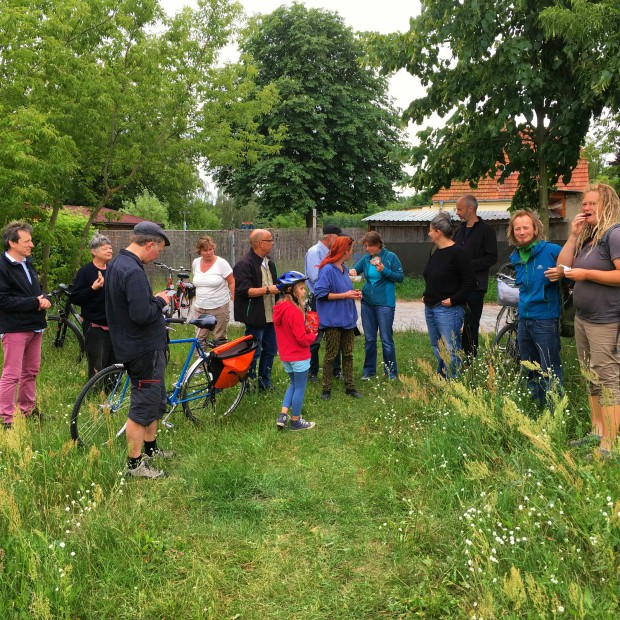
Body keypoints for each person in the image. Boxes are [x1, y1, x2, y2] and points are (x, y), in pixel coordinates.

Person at [105, 221, 173, 479]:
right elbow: (142, 314)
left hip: (139, 345)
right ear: (149, 244)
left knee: (154, 401)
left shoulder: (118, 264)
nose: (158, 256)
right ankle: (135, 466)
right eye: (159, 250)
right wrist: (160, 300)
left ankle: (151, 449)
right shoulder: (132, 272)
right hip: (142, 348)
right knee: (142, 407)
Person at [556, 183, 620, 456]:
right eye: (584, 204)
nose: (586, 208)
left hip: (607, 320)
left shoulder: (614, 235)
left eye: (593, 203)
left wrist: (586, 275)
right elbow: (562, 267)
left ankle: (609, 444)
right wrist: (572, 236)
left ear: (607, 206)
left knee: (608, 380)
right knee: (591, 377)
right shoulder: (588, 237)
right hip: (583, 318)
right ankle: (596, 433)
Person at [507, 210, 563, 406]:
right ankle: (536, 407)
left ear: (535, 228)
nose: (522, 232)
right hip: (524, 319)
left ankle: (554, 411)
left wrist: (563, 273)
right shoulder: (516, 256)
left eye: (526, 227)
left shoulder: (551, 250)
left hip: (545, 320)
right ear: (512, 232)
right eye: (517, 228)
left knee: (550, 368)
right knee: (529, 367)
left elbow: (572, 269)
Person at [0, 221, 51, 429]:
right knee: (11, 374)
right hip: (14, 328)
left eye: (31, 241)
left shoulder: (27, 263)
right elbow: (3, 300)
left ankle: (27, 410)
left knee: (30, 372)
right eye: (27, 241)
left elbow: (34, 292)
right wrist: (35, 303)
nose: (32, 245)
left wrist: (45, 299)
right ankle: (5, 418)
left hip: (35, 326)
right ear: (12, 242)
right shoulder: (2, 267)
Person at [423, 212, 475, 379]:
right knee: (437, 345)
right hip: (431, 306)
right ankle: (443, 376)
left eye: (430, 230)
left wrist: (453, 300)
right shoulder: (435, 251)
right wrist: (426, 294)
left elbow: (469, 282)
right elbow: (431, 275)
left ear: (438, 232)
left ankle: (453, 384)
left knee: (450, 348)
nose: (428, 233)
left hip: (448, 310)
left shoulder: (458, 253)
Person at [350, 231, 403, 380]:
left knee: (386, 339)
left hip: (385, 304)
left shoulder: (391, 257)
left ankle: (391, 372)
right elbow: (354, 270)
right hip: (367, 303)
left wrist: (384, 270)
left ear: (378, 244)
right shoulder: (366, 259)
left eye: (369, 246)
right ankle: (369, 371)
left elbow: (400, 277)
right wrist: (353, 271)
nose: (367, 249)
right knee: (370, 339)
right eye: (366, 246)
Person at [314, 236, 362, 400]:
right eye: (351, 249)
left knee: (348, 354)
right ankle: (326, 389)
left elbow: (345, 291)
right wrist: (345, 295)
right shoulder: (327, 269)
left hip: (348, 319)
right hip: (333, 320)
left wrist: (354, 294)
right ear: (344, 251)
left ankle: (350, 387)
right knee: (331, 355)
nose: (352, 252)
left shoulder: (344, 268)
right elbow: (320, 293)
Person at [233, 229, 279, 391]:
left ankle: (264, 383)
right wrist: (268, 289)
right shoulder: (244, 264)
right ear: (260, 243)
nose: (272, 243)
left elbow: (275, 285)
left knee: (271, 350)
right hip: (256, 317)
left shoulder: (270, 262)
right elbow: (244, 291)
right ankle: (249, 384)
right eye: (270, 240)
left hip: (271, 316)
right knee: (253, 352)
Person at [453, 194, 498, 358]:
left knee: (471, 325)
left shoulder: (487, 231)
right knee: (454, 323)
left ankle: (469, 361)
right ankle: (454, 357)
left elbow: (492, 257)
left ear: (470, 209)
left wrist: (468, 265)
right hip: (456, 286)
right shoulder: (458, 231)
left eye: (459, 209)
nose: (456, 212)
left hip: (476, 287)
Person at [273, 271, 317, 431]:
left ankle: (282, 415)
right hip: (299, 356)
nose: (304, 291)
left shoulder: (279, 308)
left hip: (285, 356)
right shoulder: (294, 311)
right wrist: (313, 336)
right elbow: (302, 339)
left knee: (293, 383)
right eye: (301, 288)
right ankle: (296, 421)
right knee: (299, 387)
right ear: (291, 290)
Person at [70, 234, 116, 378]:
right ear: (94, 251)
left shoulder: (114, 270)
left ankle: (112, 396)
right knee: (97, 365)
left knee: (114, 365)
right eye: (105, 248)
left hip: (115, 326)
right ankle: (95, 396)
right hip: (95, 326)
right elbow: (75, 298)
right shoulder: (85, 272)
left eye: (110, 248)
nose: (109, 251)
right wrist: (92, 289)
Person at [305, 224, 343, 381]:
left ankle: (336, 370)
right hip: (318, 300)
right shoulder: (315, 252)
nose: (339, 240)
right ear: (330, 237)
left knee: (335, 335)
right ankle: (312, 371)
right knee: (314, 337)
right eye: (338, 237)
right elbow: (315, 277)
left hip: (333, 299)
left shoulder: (333, 253)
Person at [191, 235, 234, 345]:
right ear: (199, 251)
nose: (209, 253)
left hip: (219, 307)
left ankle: (218, 362)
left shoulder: (221, 263)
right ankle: (201, 362)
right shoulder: (196, 263)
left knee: (219, 339)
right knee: (199, 339)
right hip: (200, 308)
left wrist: (235, 300)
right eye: (205, 250)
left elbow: (232, 282)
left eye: (211, 249)